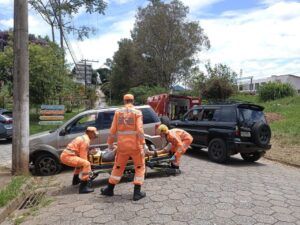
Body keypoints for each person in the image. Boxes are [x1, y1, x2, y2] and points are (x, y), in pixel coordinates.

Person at [100, 94, 149, 201]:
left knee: (118, 166)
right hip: (136, 146)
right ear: (133, 100)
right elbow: (140, 130)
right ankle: (137, 193)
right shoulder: (137, 112)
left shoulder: (118, 112)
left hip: (122, 146)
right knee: (139, 167)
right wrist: (144, 144)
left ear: (124, 101)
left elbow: (113, 130)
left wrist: (110, 144)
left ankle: (109, 189)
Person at [60, 126, 99, 194]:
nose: (95, 135)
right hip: (68, 156)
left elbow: (81, 151)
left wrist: (89, 151)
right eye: (94, 134)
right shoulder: (85, 141)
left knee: (80, 164)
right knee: (86, 164)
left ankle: (75, 180)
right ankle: (83, 187)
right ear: (89, 133)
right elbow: (83, 156)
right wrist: (90, 166)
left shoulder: (83, 137)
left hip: (66, 155)